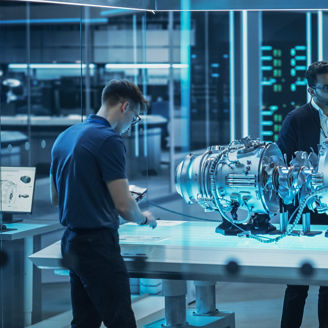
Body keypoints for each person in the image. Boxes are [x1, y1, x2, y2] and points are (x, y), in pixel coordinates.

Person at [50, 79, 157, 328]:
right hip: (98, 247)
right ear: (125, 106)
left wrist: (95, 194)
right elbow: (123, 206)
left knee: (85, 322)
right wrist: (143, 217)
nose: (132, 126)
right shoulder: (109, 140)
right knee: (121, 321)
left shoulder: (65, 136)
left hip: (71, 242)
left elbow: (57, 197)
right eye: (135, 118)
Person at [278, 61, 328, 328]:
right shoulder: (296, 119)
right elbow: (278, 167)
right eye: (327, 87)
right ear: (312, 90)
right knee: (297, 285)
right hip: (303, 212)